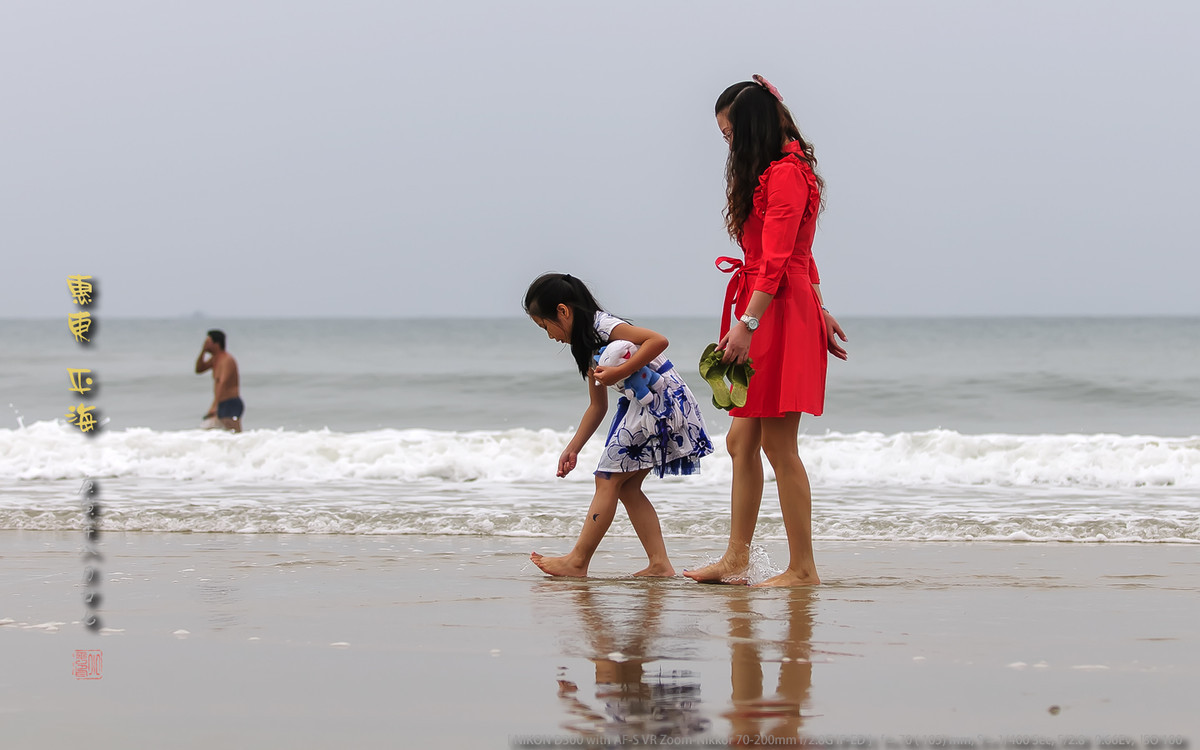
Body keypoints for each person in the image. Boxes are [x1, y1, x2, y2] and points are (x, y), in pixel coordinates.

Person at [683, 76, 848, 587]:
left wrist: (747, 325)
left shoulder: (787, 175)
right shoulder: (777, 172)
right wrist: (820, 303)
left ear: (753, 127)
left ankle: (803, 568)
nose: (728, 145)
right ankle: (737, 558)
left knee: (779, 445)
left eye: (731, 134)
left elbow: (779, 259)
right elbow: (801, 254)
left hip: (773, 310)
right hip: (773, 301)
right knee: (740, 440)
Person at [524, 273, 714, 577]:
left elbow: (658, 340)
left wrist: (621, 370)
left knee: (608, 479)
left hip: (662, 402)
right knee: (626, 486)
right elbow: (597, 406)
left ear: (563, 311)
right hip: (645, 408)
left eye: (545, 326)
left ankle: (577, 562)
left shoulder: (605, 325)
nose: (549, 336)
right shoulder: (587, 347)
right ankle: (659, 564)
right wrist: (573, 448)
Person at [194, 329, 244, 433]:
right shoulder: (215, 359)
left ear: (216, 343)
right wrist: (203, 351)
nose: (205, 344)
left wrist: (214, 406)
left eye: (208, 342)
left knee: (234, 433)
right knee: (214, 432)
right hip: (221, 403)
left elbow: (222, 382)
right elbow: (199, 369)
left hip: (230, 403)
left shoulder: (227, 360)